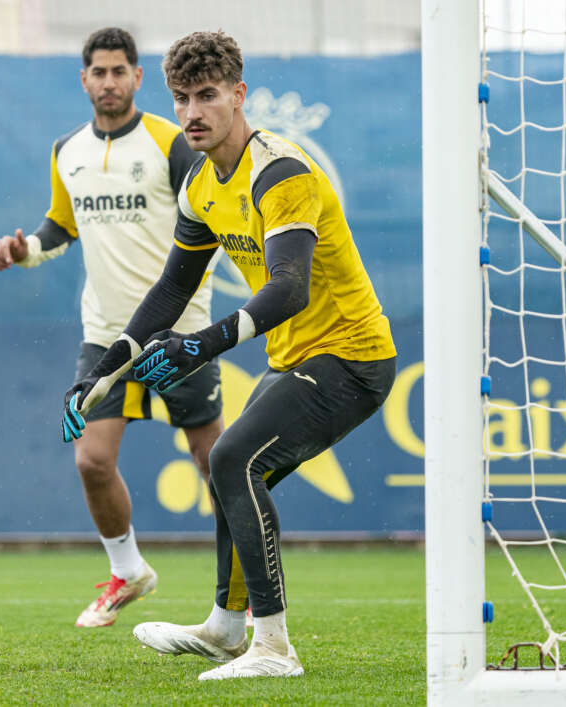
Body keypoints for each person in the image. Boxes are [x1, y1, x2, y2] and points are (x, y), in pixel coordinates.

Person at [61, 31, 397, 679]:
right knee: (230, 465)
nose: (193, 111)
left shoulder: (280, 170)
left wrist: (202, 344)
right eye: (183, 97)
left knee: (234, 457)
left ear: (239, 96)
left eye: (208, 96)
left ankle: (272, 646)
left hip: (353, 356)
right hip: (297, 357)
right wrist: (102, 374)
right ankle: (225, 628)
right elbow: (170, 292)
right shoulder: (201, 186)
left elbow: (289, 289)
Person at [0, 27, 224, 628]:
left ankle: (243, 594)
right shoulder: (67, 149)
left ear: (139, 77)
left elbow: (211, 220)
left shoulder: (173, 143)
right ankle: (129, 571)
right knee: (91, 461)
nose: (110, 81)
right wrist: (25, 250)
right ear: (85, 79)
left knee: (216, 462)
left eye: (121, 71)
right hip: (104, 334)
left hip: (180, 329)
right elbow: (58, 227)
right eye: (99, 71)